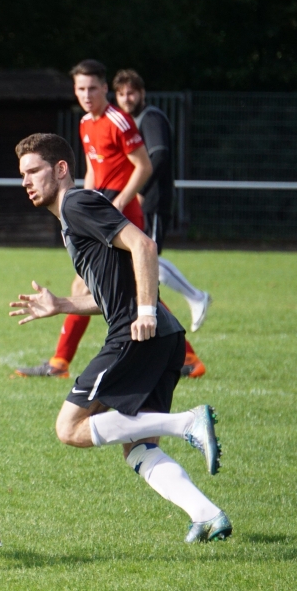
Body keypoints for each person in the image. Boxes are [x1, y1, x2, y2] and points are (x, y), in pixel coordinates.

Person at [9, 133, 231, 543]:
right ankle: (207, 514)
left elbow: (144, 246)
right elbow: (110, 293)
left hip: (138, 331)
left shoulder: (77, 204)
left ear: (60, 169)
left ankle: (187, 422)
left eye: (33, 171)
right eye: (22, 174)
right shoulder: (69, 220)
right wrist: (61, 304)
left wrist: (145, 311)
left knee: (69, 428)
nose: (26, 181)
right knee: (138, 448)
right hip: (160, 335)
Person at [16, 60, 205, 380]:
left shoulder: (118, 119)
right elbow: (91, 170)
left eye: (92, 88)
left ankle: (184, 354)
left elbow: (143, 166)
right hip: (94, 208)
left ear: (106, 89)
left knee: (129, 288)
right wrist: (74, 204)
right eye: (80, 89)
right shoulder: (86, 123)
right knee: (103, 286)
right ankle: (60, 361)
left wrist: (116, 202)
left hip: (117, 210)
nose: (86, 95)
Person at [113, 69, 212, 372]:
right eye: (121, 94)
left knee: (147, 264)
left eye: (131, 92)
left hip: (153, 201)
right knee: (142, 271)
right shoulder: (132, 122)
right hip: (145, 201)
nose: (127, 99)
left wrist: (137, 192)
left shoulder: (151, 118)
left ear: (142, 93)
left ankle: (196, 297)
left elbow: (158, 156)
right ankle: (172, 352)